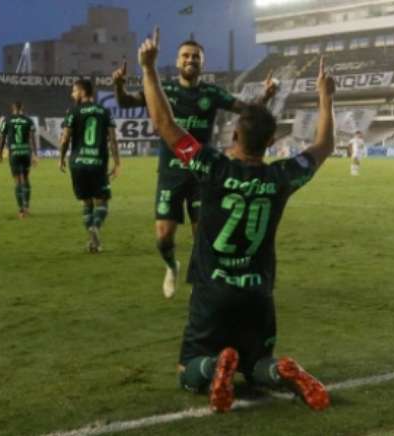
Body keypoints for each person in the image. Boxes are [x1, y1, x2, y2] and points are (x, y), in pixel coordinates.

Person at [140, 28, 333, 413]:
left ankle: (214, 367)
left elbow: (165, 124)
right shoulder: (280, 177)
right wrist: (325, 97)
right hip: (258, 293)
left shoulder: (212, 166)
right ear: (269, 143)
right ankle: (278, 370)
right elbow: (323, 145)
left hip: (213, 291)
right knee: (257, 363)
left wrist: (148, 69)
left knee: (187, 369)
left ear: (234, 136)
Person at [113, 38, 279, 298]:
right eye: (186, 56)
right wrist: (118, 85)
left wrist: (266, 95)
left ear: (203, 63)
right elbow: (127, 103)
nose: (190, 60)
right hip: (171, 173)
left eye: (195, 57)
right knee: (163, 236)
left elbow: (247, 111)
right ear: (178, 61)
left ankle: (200, 282)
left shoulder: (211, 93)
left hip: (204, 174)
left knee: (203, 234)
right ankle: (171, 265)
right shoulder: (162, 89)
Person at [59, 79, 121, 252]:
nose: (72, 95)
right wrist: (117, 163)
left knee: (87, 203)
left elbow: (65, 139)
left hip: (78, 163)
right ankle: (95, 228)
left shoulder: (73, 111)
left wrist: (61, 158)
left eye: (74, 91)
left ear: (82, 92)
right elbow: (113, 140)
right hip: (98, 163)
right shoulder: (104, 111)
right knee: (102, 202)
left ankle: (94, 242)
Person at [0, 102, 37, 218]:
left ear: (12, 108)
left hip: (14, 153)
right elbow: (31, 138)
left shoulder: (6, 120)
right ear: (22, 108)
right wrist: (34, 154)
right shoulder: (29, 121)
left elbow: (2, 137)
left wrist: (0, 153)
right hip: (25, 153)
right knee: (26, 179)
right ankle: (27, 207)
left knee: (17, 181)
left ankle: (21, 211)